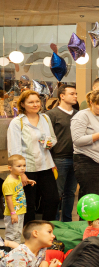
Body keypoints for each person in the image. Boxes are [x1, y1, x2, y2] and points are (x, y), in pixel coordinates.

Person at [7, 90, 59, 222]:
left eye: (37, 101)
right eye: (31, 102)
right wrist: (21, 173)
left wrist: (49, 143)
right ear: (23, 104)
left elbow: (53, 138)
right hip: (27, 168)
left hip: (46, 165)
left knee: (52, 199)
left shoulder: (45, 118)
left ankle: (47, 228)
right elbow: (14, 150)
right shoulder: (17, 122)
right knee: (29, 203)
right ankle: (30, 231)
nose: (35, 104)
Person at [47, 84, 79, 222]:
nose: (75, 96)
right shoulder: (51, 115)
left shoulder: (79, 114)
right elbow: (47, 138)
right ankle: (54, 223)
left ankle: (67, 221)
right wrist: (50, 160)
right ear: (62, 96)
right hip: (58, 159)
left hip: (76, 158)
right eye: (72, 93)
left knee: (70, 193)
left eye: (76, 94)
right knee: (57, 193)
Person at [3, 155, 29, 243]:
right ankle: (8, 250)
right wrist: (13, 213)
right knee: (11, 235)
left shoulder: (18, 177)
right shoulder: (9, 182)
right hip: (13, 213)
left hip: (20, 211)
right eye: (19, 166)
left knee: (18, 234)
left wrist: (28, 181)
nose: (22, 168)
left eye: (24, 165)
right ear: (10, 168)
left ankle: (15, 250)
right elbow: (8, 199)